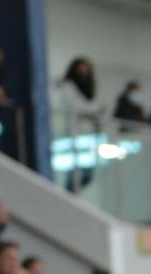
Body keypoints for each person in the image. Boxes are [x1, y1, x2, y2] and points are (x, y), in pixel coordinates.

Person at [59, 57, 105, 191]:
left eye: (86, 70)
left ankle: (72, 196)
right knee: (74, 172)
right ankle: (68, 196)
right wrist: (95, 110)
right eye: (80, 70)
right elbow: (78, 108)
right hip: (75, 134)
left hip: (90, 136)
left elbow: (99, 107)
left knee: (88, 175)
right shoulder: (68, 87)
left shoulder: (92, 90)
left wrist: (95, 111)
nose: (83, 73)